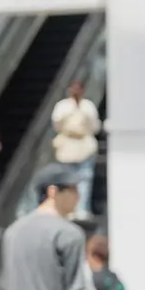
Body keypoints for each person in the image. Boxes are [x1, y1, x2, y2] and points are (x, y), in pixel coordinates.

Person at [1, 165, 89, 290]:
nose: (78, 197)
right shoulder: (68, 233)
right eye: (73, 189)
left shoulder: (12, 231)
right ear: (53, 191)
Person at [51, 80, 101, 219]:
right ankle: (67, 209)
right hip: (67, 144)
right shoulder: (62, 106)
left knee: (85, 177)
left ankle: (82, 208)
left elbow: (95, 126)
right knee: (66, 179)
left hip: (84, 143)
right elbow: (57, 125)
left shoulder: (88, 106)